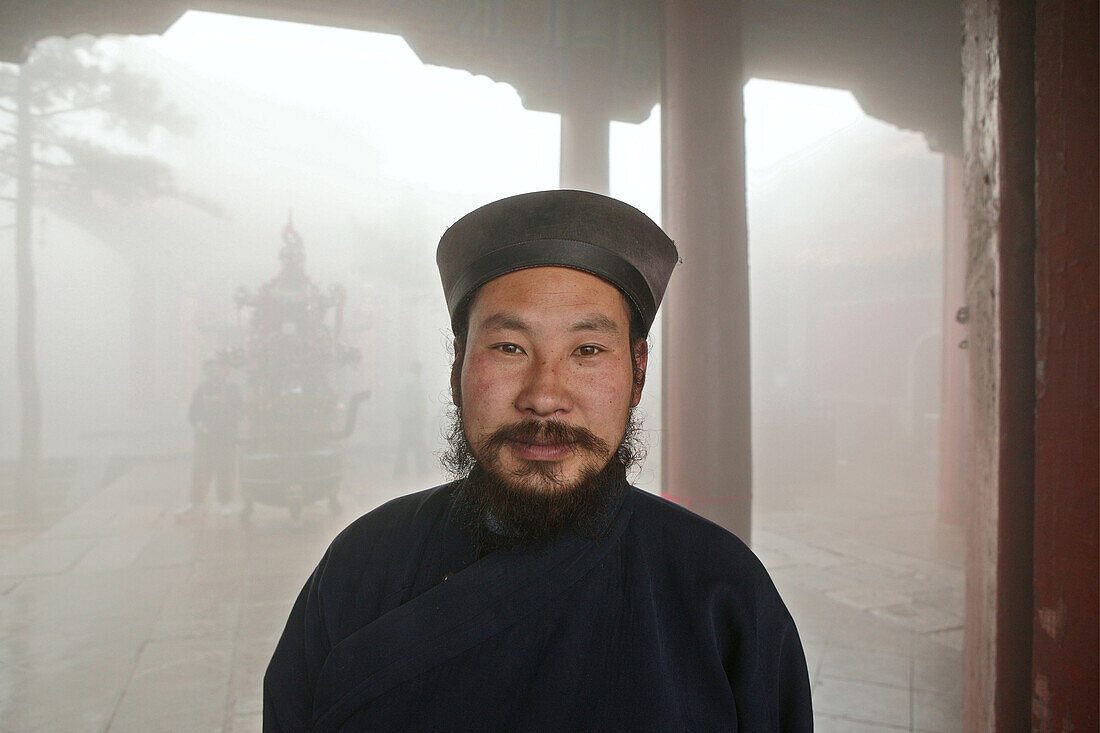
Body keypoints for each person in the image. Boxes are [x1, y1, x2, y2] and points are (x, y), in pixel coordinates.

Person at [264, 190, 812, 731]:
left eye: (587, 351)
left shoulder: (720, 587)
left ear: (638, 371)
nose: (544, 395)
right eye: (509, 348)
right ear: (458, 368)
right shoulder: (364, 563)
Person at [181, 359, 242, 517]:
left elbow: (239, 412)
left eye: (215, 371)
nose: (212, 375)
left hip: (226, 437)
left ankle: (225, 503)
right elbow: (193, 412)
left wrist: (225, 404)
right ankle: (195, 503)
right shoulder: (202, 389)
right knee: (200, 471)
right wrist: (198, 423)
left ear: (223, 371)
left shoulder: (233, 389)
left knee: (225, 470)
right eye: (208, 372)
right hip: (205, 437)